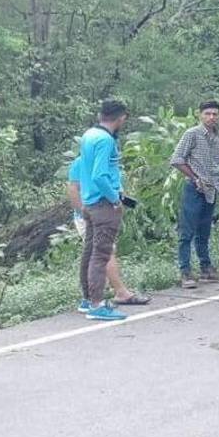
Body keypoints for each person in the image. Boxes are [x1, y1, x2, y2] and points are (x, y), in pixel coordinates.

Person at [67, 156, 149, 308]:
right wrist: (83, 213)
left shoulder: (107, 162)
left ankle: (90, 297)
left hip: (104, 212)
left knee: (97, 252)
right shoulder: (82, 162)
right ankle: (119, 292)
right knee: (106, 251)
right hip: (91, 214)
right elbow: (73, 189)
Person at [76, 100, 131, 321]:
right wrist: (115, 198)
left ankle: (87, 299)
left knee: (89, 252)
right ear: (121, 118)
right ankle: (97, 305)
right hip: (103, 204)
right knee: (101, 254)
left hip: (88, 202)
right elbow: (100, 175)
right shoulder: (106, 140)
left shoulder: (89, 134)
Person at [170, 100, 219, 289]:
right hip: (195, 188)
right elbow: (177, 159)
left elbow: (218, 160)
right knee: (186, 231)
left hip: (211, 189)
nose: (211, 117)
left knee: (204, 231)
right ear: (200, 115)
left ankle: (206, 269)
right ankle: (185, 271)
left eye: (214, 114)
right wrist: (195, 177)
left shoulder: (217, 136)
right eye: (208, 114)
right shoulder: (193, 134)